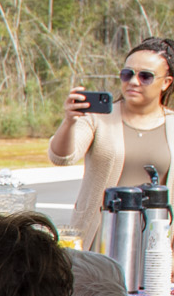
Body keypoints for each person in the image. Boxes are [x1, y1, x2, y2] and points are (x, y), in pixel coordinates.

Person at [49, 35, 173, 249]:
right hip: (98, 242)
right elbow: (61, 157)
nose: (133, 82)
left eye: (145, 76)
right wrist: (69, 122)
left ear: (166, 83)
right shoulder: (97, 118)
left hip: (154, 245)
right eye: (127, 74)